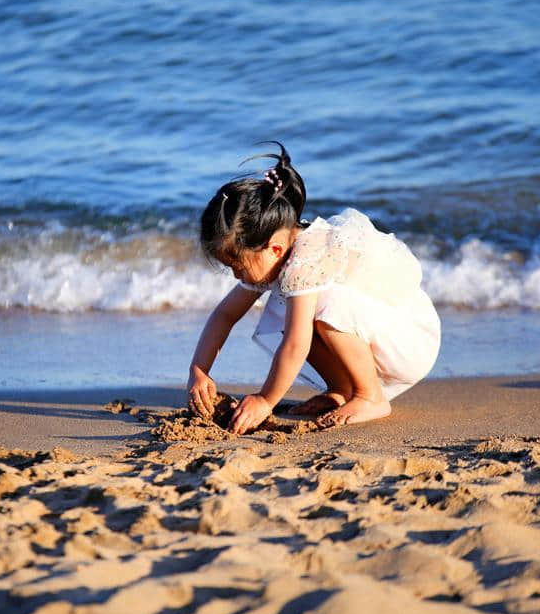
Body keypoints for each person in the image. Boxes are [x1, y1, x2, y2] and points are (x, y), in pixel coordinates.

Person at [187, 142, 441, 436]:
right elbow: (225, 315)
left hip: (408, 339)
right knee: (288, 309)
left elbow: (296, 344)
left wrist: (265, 400)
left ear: (274, 248)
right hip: (376, 333)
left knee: (321, 306)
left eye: (239, 267)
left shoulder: (307, 259)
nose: (236, 275)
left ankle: (370, 396)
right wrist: (198, 369)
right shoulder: (272, 253)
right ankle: (342, 390)